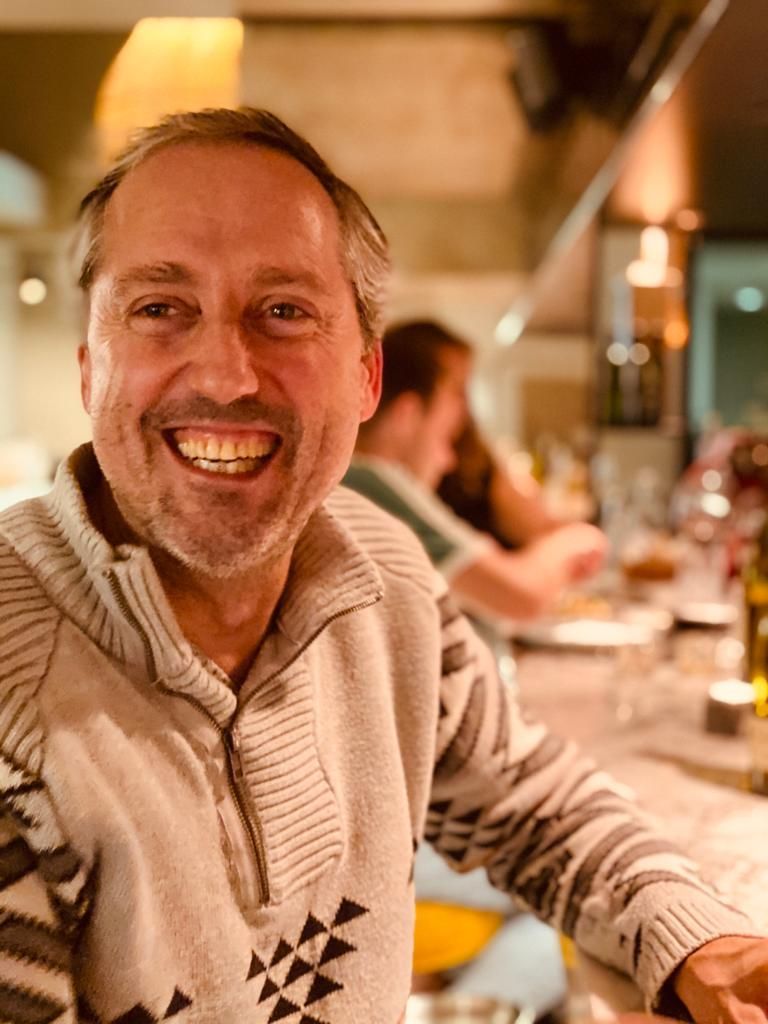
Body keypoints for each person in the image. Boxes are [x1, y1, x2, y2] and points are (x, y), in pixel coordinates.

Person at [0, 107, 765, 1024]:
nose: (227, 374)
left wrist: (696, 935)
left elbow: (530, 805)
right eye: (161, 308)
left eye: (283, 312)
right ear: (91, 369)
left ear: (366, 376)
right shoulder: (15, 705)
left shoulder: (385, 573)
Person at [347, 320, 607, 625]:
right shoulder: (371, 481)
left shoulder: (366, 479)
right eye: (456, 392)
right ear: (408, 413)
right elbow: (519, 595)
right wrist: (574, 540)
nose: (464, 411)